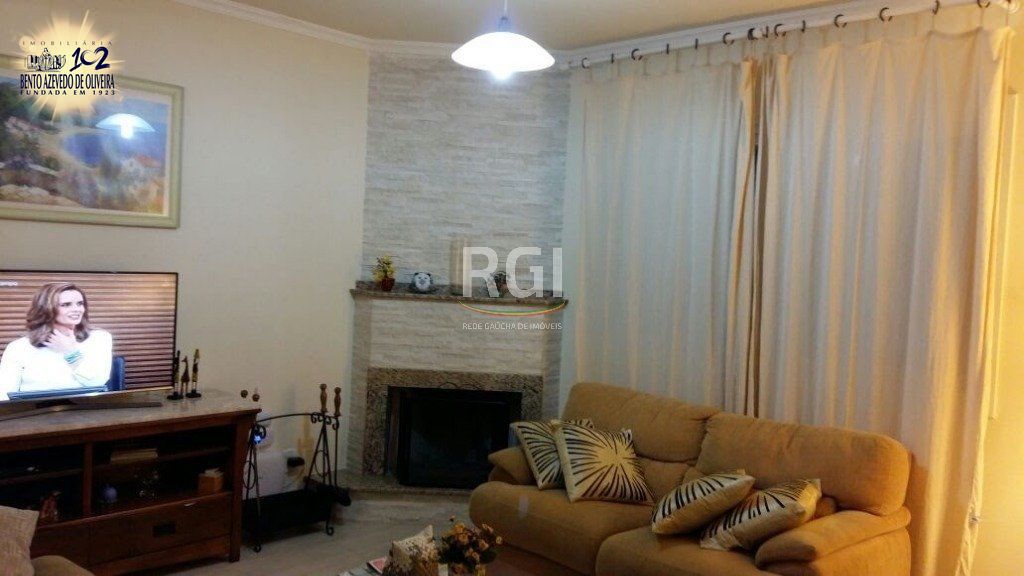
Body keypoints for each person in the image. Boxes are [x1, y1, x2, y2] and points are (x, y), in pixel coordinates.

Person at [0, 282, 113, 401]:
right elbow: (4, 394)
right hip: (33, 411)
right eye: (66, 305)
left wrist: (70, 351)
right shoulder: (18, 347)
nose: (77, 309)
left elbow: (96, 383)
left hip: (84, 410)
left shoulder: (99, 338)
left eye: (80, 304)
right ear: (47, 309)